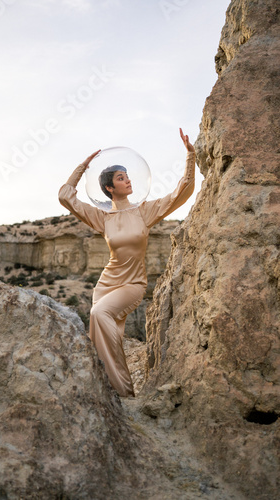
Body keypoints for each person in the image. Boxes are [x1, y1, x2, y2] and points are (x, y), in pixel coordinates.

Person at [58, 128, 195, 397]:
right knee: (108, 334)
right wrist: (82, 167)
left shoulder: (144, 212)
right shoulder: (102, 217)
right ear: (110, 188)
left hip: (133, 284)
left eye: (128, 176)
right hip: (106, 284)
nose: (128, 180)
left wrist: (190, 156)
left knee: (99, 314)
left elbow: (183, 191)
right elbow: (65, 197)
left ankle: (124, 392)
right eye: (121, 178)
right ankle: (105, 390)